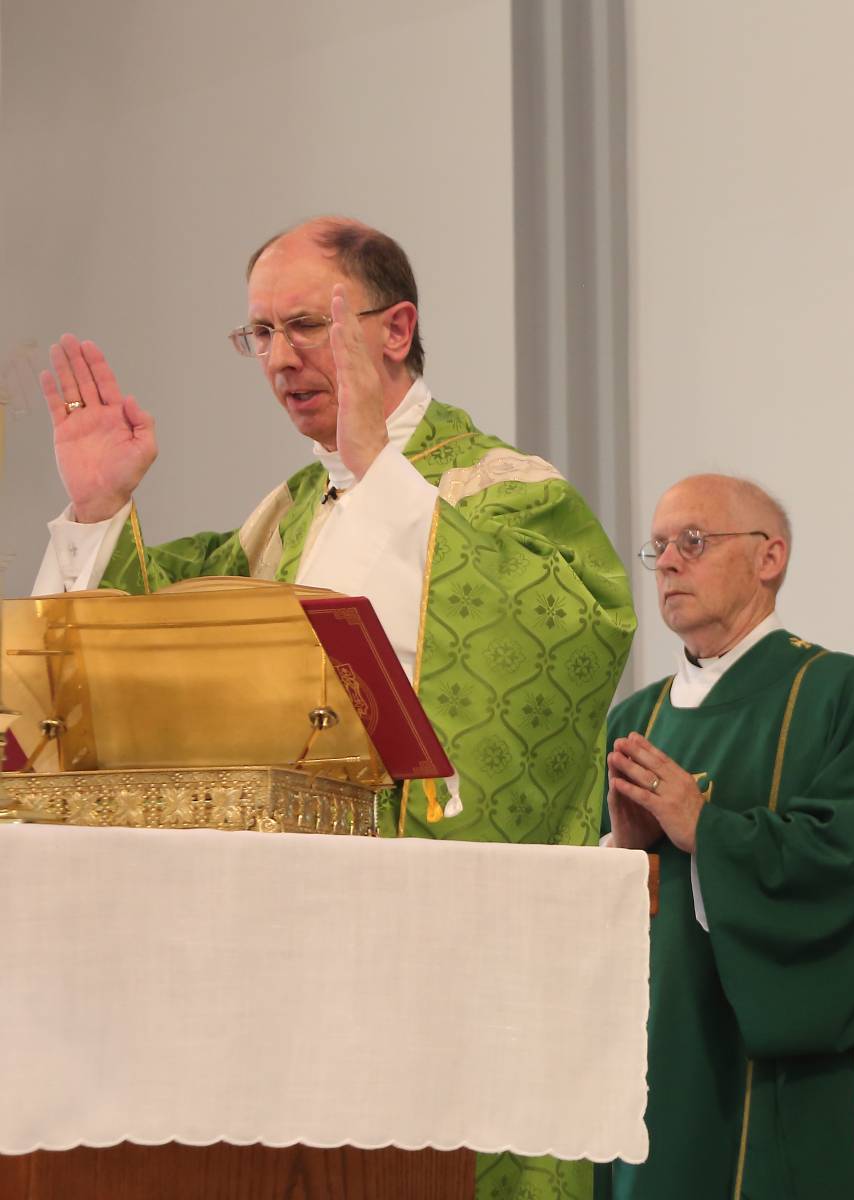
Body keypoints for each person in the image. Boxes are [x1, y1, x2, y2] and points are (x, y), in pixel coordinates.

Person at [33, 216, 636, 1200]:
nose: (278, 357)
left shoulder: (502, 491)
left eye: (305, 324)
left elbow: (569, 640)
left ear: (395, 330)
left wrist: (378, 462)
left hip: (448, 970)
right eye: (259, 334)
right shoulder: (289, 517)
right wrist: (99, 511)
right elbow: (135, 656)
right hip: (281, 965)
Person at [596, 474, 854, 1200]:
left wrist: (705, 831)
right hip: (658, 1063)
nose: (670, 563)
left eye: (694, 541)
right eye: (659, 548)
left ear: (768, 557)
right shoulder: (633, 722)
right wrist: (622, 856)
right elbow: (594, 925)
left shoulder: (842, 695)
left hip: (789, 1074)